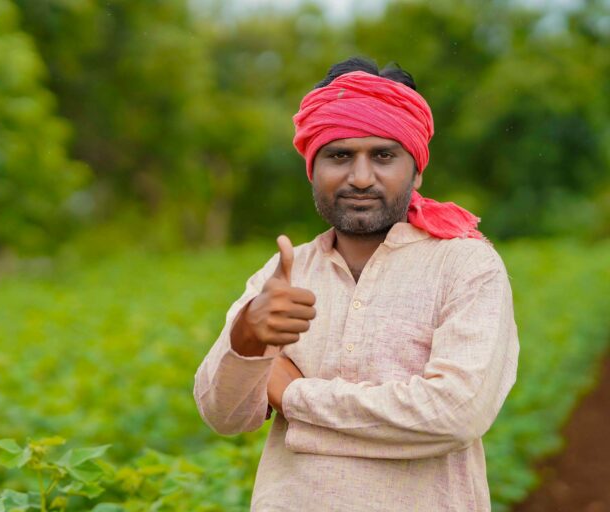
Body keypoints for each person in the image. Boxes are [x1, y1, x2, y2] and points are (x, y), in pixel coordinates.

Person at [193, 56, 519, 511]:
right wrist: (246, 339)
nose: (361, 178)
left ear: (417, 169)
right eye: (339, 155)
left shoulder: (466, 265)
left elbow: (454, 414)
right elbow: (222, 416)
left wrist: (291, 394)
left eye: (383, 155)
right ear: (313, 167)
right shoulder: (286, 272)